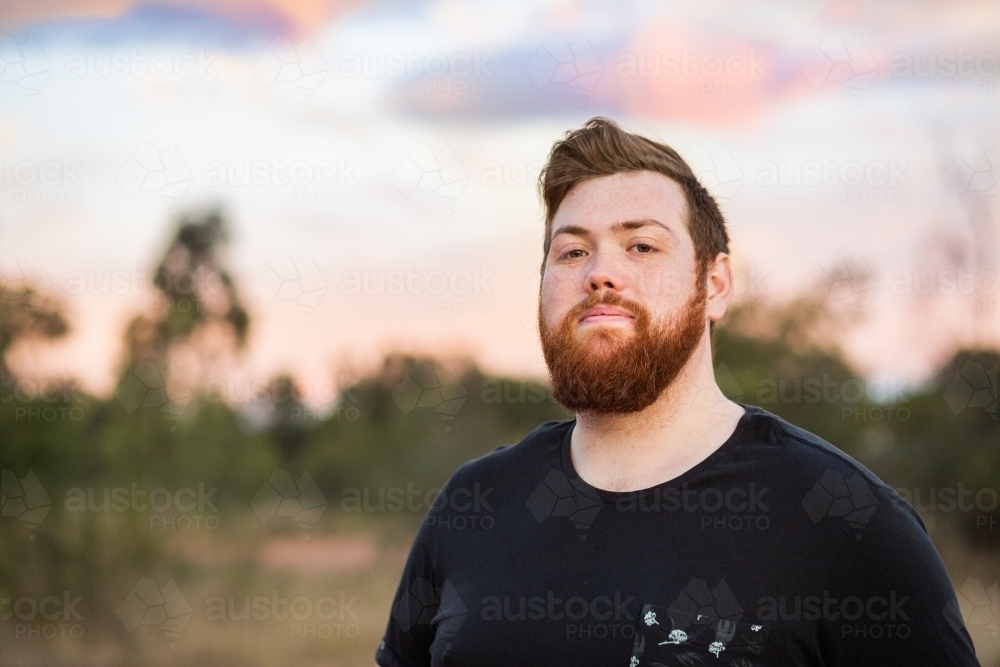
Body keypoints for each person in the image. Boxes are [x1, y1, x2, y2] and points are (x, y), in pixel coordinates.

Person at [374, 117, 981, 666]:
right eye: (572, 251)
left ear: (714, 284)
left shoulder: (843, 519)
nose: (599, 273)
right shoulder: (474, 504)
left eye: (641, 245)